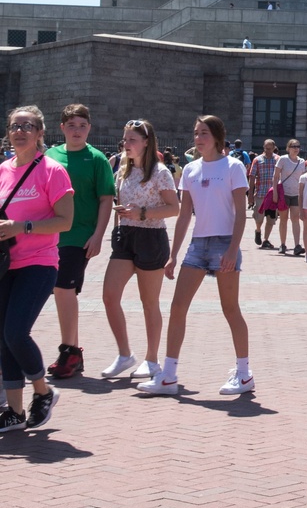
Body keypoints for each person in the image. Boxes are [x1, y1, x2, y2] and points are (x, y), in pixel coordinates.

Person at [136, 115, 254, 397]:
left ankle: (244, 373)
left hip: (225, 242)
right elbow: (184, 214)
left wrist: (232, 249)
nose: (198, 138)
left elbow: (240, 214)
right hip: (197, 246)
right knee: (178, 307)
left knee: (230, 309)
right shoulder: (190, 169)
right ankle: (169, 375)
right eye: (196, 133)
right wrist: (173, 254)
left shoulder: (233, 167)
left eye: (204, 133)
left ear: (216, 136)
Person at [0, 106, 75, 434]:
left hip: (39, 263)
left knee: (16, 332)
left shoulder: (52, 171)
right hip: (6, 264)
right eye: (15, 126)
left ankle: (43, 392)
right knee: (3, 337)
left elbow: (65, 221)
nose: (20, 132)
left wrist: (22, 226)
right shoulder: (3, 170)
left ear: (40, 133)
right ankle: (15, 412)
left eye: (27, 126)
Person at [101, 119, 179, 381]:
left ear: (146, 142)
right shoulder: (122, 169)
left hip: (151, 237)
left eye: (132, 139)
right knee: (110, 295)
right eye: (125, 139)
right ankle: (125, 354)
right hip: (125, 236)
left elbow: (174, 208)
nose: (127, 144)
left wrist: (142, 212)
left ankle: (152, 359)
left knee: (149, 303)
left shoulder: (160, 172)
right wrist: (122, 213)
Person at [45, 103, 116, 380]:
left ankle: (70, 350)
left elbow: (106, 199)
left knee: (64, 289)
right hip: (49, 234)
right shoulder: (50, 156)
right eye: (71, 125)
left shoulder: (97, 159)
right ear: (61, 128)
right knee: (62, 292)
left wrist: (99, 235)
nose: (77, 131)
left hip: (80, 236)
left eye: (82, 126)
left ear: (90, 128)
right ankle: (73, 353)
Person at [273, 140, 305, 255]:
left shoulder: (302, 162)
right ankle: (282, 244)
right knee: (283, 219)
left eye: (298, 146)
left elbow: (303, 179)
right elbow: (276, 177)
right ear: (288, 148)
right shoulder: (283, 159)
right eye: (293, 146)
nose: (296, 148)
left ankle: (297, 245)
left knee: (295, 219)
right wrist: (275, 192)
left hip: (296, 194)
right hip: (284, 193)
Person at [248, 138, 279, 248]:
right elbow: (252, 177)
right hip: (261, 193)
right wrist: (250, 194)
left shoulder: (278, 160)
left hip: (273, 194)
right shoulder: (257, 160)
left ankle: (266, 239)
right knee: (259, 217)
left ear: (274, 148)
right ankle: (258, 230)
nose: (268, 150)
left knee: (271, 218)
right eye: (266, 148)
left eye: (270, 148)